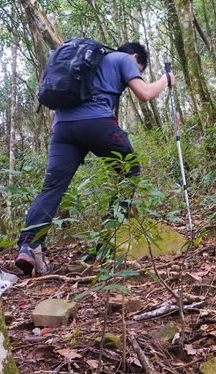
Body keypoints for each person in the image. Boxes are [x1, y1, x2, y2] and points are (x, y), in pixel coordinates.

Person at [16, 42, 174, 275]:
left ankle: (29, 245)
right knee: (129, 170)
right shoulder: (124, 59)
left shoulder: (90, 63)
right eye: (139, 70)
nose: (136, 73)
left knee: (52, 188)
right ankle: (109, 238)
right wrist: (166, 79)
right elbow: (145, 94)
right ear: (135, 56)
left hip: (62, 128)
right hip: (97, 122)